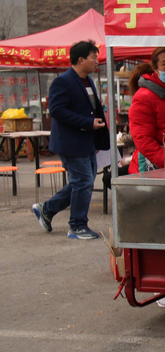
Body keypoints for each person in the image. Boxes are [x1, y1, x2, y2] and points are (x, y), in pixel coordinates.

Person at [31, 40, 109, 240]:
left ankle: (47, 209)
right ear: (81, 60)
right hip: (71, 143)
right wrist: (87, 123)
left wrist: (97, 135)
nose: (96, 61)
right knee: (83, 182)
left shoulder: (87, 80)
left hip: (87, 142)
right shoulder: (63, 81)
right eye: (93, 57)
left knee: (82, 181)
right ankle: (77, 225)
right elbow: (57, 111)